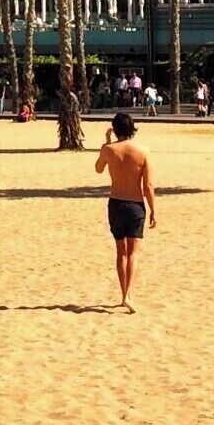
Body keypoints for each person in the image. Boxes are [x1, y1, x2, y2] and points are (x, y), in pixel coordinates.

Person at [95, 111, 157, 310]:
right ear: (132, 129)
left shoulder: (109, 150)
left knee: (121, 252)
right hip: (135, 204)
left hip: (116, 203)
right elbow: (148, 185)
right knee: (133, 253)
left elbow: (98, 168)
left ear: (115, 130)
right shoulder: (143, 151)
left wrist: (106, 143)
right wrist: (153, 210)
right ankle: (129, 294)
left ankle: (124, 294)